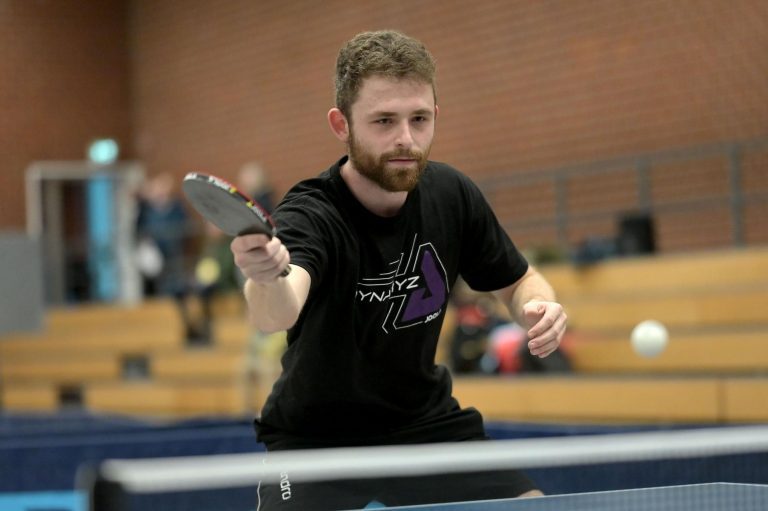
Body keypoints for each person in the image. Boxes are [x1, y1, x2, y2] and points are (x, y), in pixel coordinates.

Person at [230, 30, 568, 510]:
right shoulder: (311, 214)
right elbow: (276, 313)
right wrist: (265, 275)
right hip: (316, 440)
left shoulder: (452, 195)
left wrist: (539, 305)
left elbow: (518, 281)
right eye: (384, 121)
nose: (405, 138)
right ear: (341, 125)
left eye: (419, 119)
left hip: (424, 424)